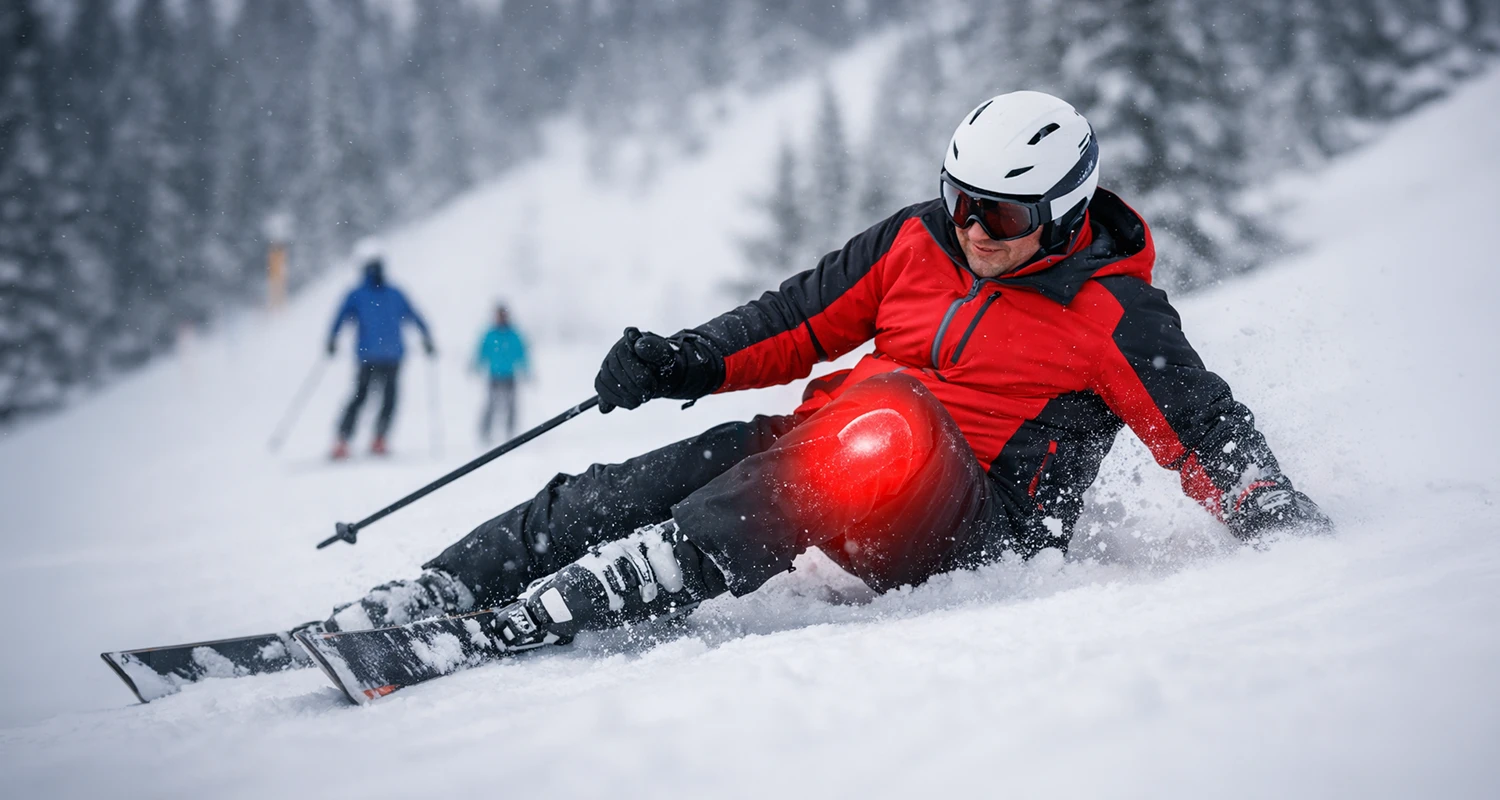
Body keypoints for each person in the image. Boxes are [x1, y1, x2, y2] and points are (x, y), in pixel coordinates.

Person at [316, 91, 1332, 647]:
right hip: (838, 461)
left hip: (977, 527)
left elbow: (1204, 429)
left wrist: (1272, 511)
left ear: (1064, 211)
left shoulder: (1112, 311)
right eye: (960, 198)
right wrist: (682, 360)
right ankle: (442, 587)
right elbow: (796, 319)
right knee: (690, 459)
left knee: (889, 409)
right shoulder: (917, 240)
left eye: (1002, 213)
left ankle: (639, 574)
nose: (973, 227)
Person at [326, 248, 435, 459]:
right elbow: (341, 316)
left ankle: (379, 438)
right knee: (361, 397)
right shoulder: (359, 294)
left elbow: (414, 314)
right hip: (369, 355)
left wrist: (426, 336)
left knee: (387, 398)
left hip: (391, 355)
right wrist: (332, 337)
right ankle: (343, 439)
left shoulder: (393, 293)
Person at [474, 304, 529, 442]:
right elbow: (482, 351)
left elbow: (522, 353)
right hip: (494, 375)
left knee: (511, 406)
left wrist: (526, 370)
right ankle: (485, 433)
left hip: (509, 375)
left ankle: (510, 433)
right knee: (491, 405)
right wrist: (476, 365)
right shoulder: (490, 334)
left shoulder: (513, 335)